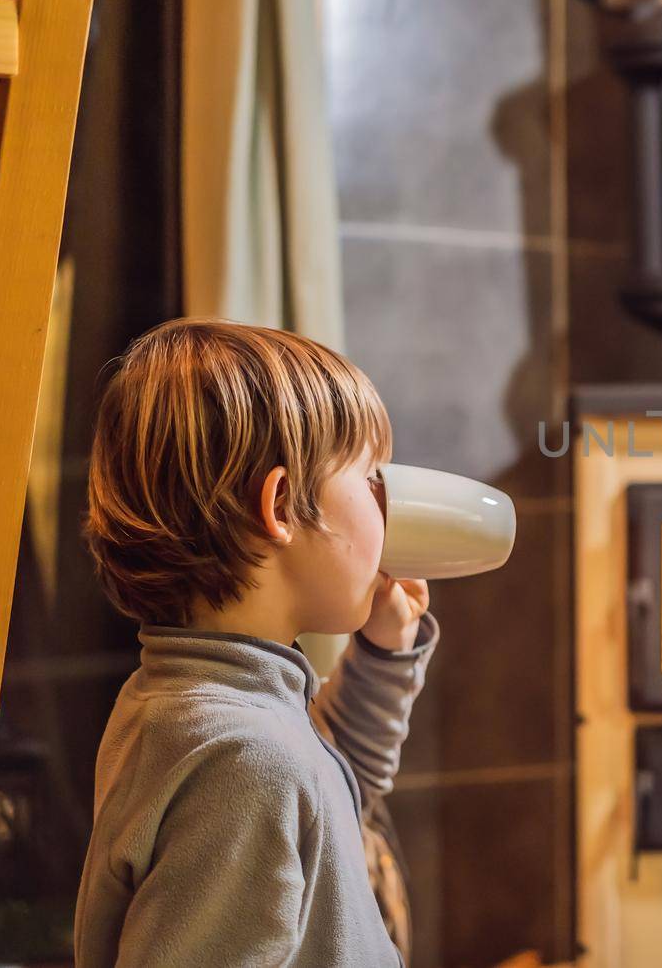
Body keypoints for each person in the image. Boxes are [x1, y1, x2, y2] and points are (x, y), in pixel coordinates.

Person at [73, 318, 435, 966]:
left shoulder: (200, 703)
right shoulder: (243, 760)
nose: (390, 505)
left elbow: (329, 786)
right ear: (282, 502)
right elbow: (289, 782)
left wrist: (382, 655)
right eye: (371, 476)